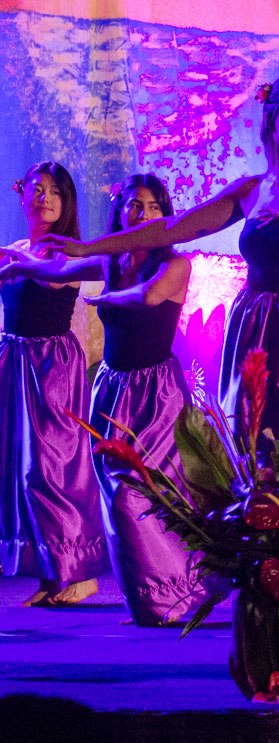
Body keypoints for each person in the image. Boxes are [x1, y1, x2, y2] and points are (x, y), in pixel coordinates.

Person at [37, 77, 279, 465]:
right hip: (252, 327)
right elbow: (172, 226)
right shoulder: (252, 190)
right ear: (271, 121)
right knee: (247, 454)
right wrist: (89, 247)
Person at [2, 174, 199, 624]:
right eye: (133, 205)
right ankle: (150, 598)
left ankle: (177, 592)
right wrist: (19, 266)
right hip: (113, 389)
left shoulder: (176, 264)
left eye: (151, 207)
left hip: (156, 394)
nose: (142, 214)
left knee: (144, 495)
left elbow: (149, 296)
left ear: (164, 214)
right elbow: (58, 270)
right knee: (117, 497)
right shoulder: (111, 261)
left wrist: (108, 298)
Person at [0, 161, 105, 606]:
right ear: (22, 195)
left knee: (51, 470)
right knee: (18, 473)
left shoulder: (69, 254)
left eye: (54, 191)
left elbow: (69, 271)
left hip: (51, 367)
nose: (43, 197)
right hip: (14, 361)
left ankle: (78, 571)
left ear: (66, 204)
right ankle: (48, 574)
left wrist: (18, 265)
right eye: (37, 189)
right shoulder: (14, 249)